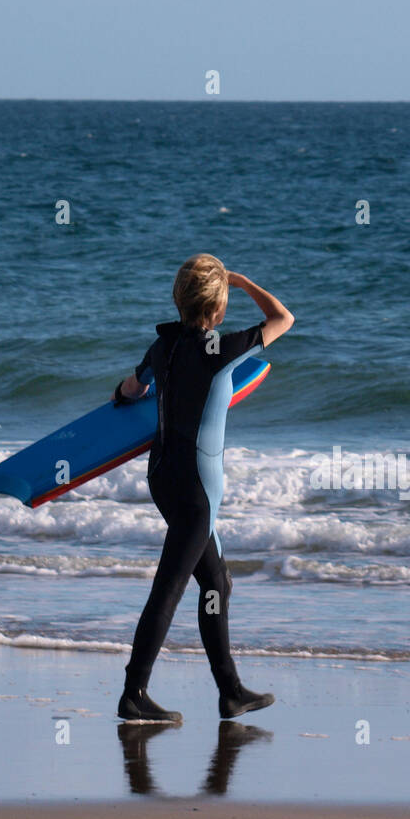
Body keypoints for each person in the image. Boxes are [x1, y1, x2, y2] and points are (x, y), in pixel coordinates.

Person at [111, 255, 294, 722]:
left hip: (163, 480)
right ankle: (134, 693)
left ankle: (230, 691)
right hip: (197, 491)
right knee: (169, 589)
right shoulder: (224, 348)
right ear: (218, 307)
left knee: (216, 583)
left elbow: (130, 390)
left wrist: (124, 396)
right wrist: (243, 277)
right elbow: (283, 318)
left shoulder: (162, 346)